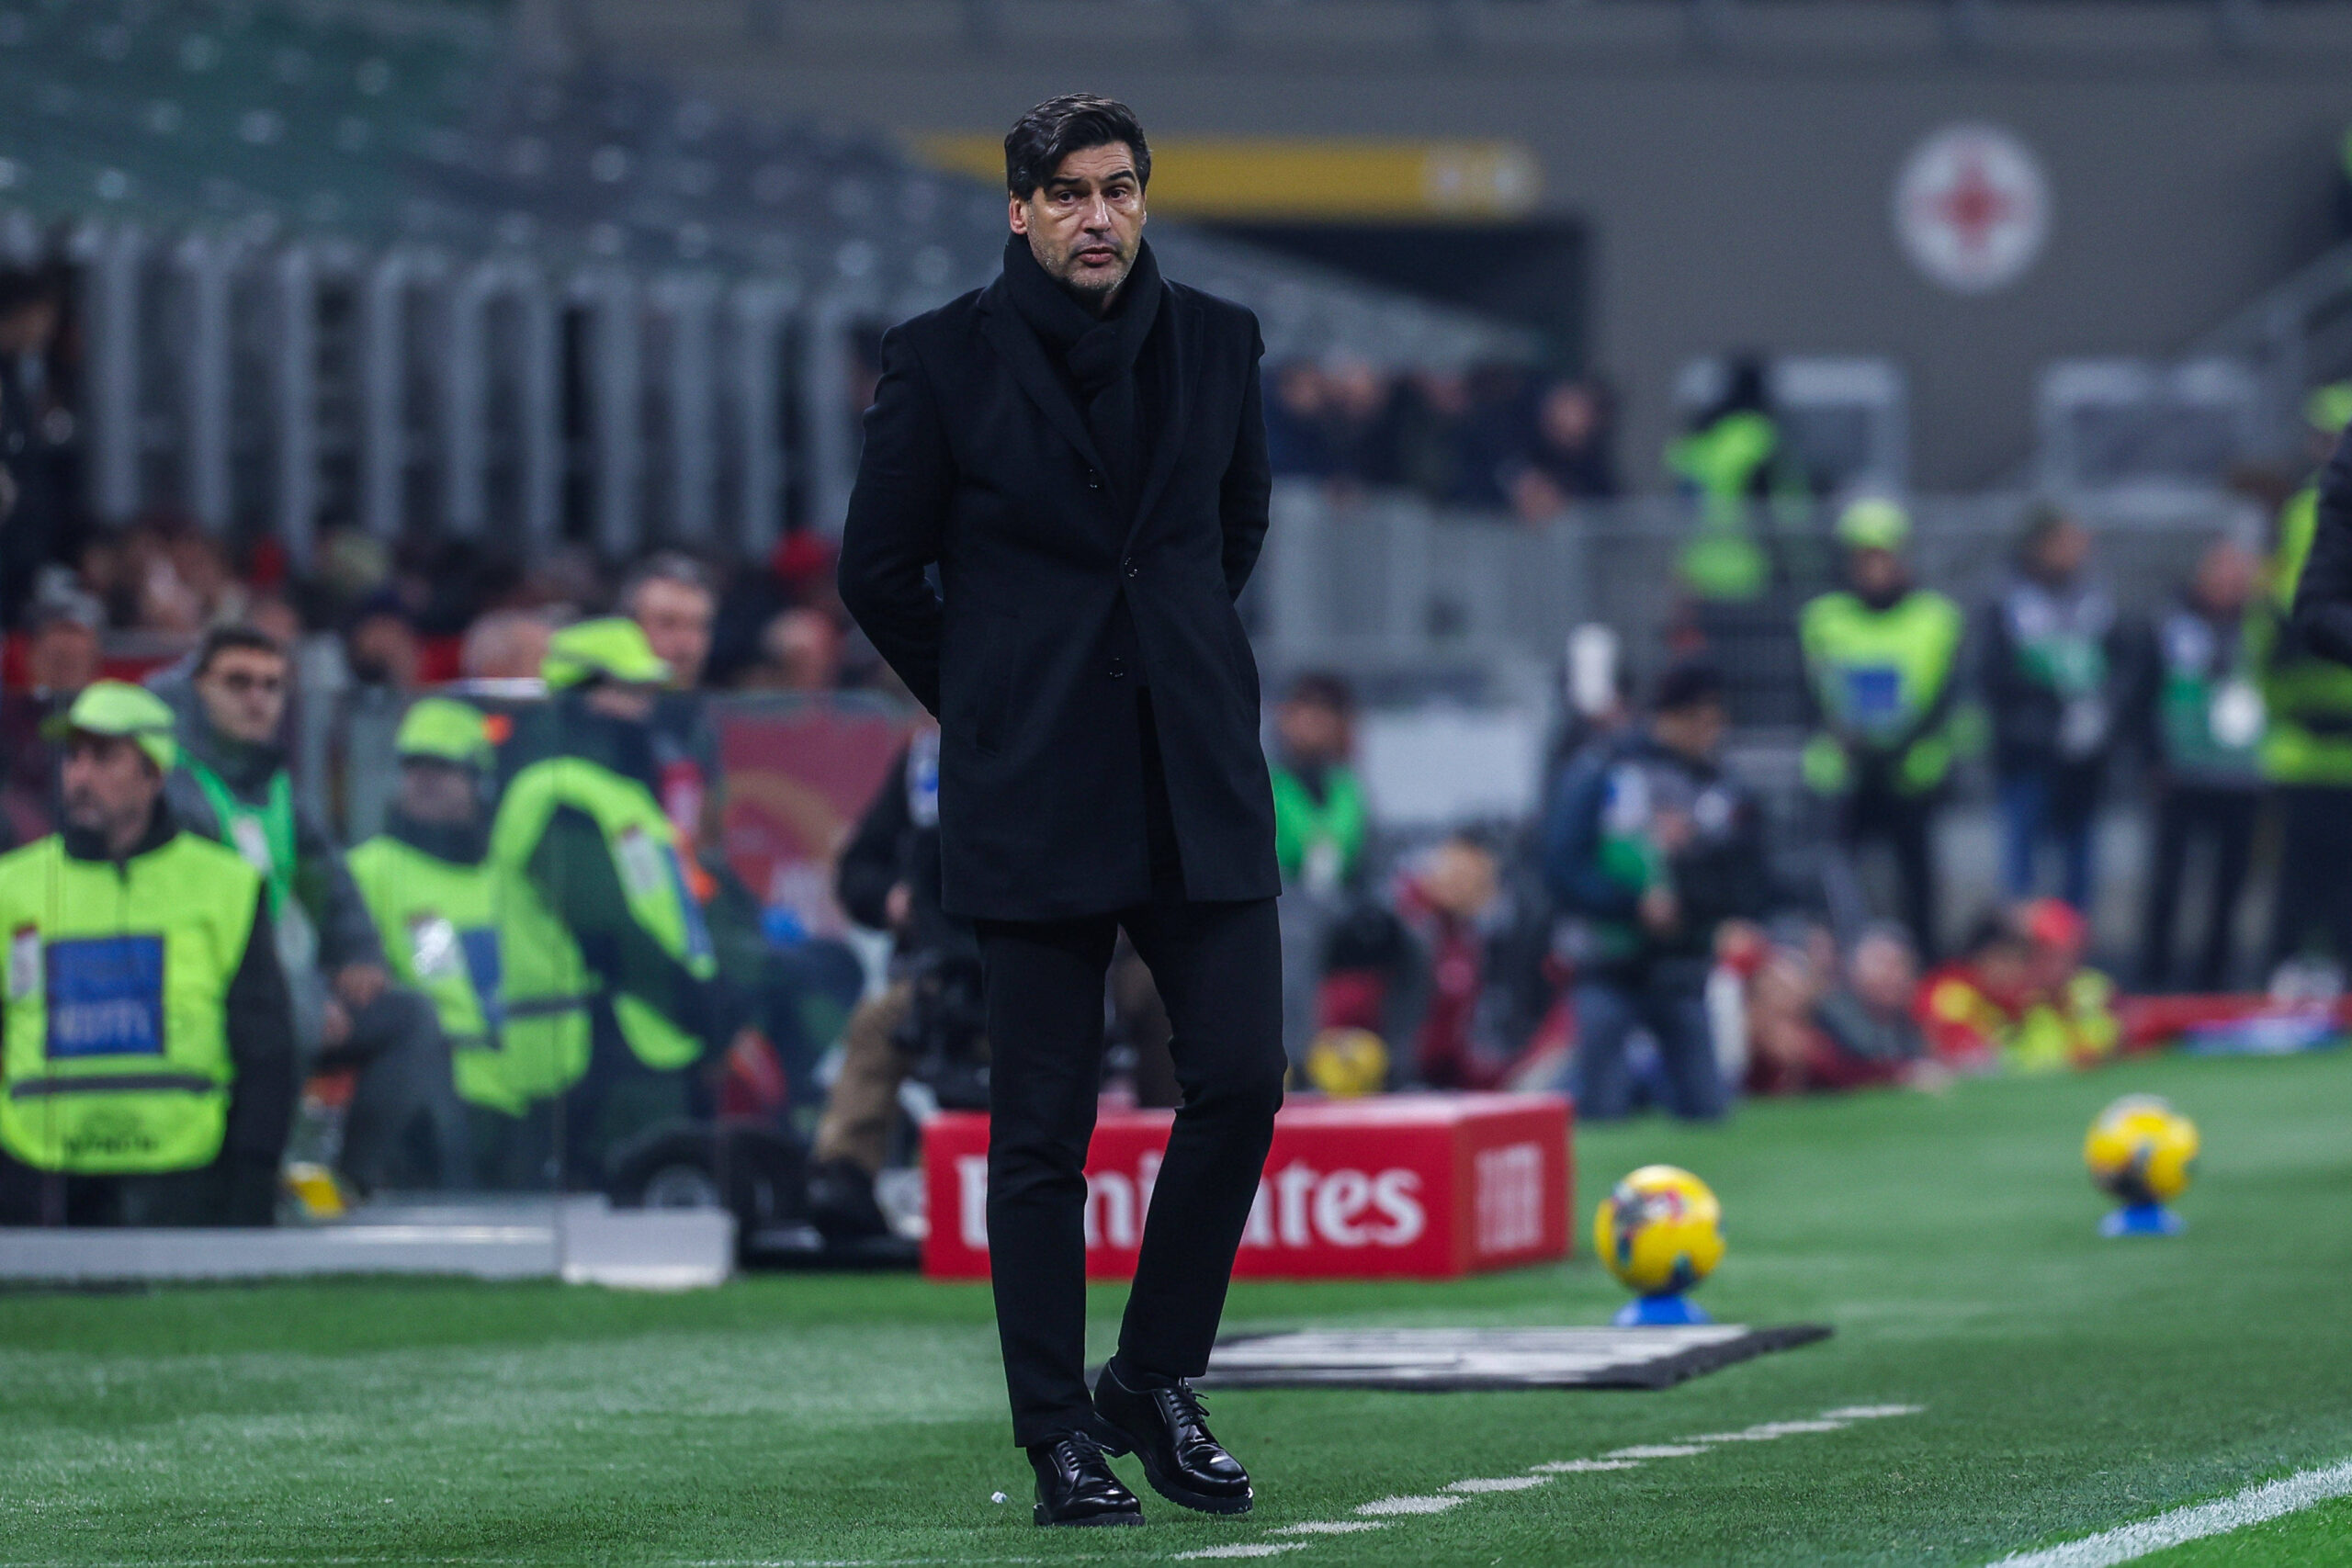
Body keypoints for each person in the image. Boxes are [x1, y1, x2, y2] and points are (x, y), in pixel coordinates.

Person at [837, 94, 1281, 1527]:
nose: (1102, 215)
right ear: (1018, 210)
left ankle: (1147, 1377)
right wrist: (999, 698)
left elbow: (1235, 529)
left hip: (1193, 772)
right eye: (1073, 193)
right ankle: (1054, 1436)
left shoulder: (1219, 340)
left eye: (1124, 189)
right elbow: (878, 569)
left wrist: (1166, 663)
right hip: (1034, 787)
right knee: (1040, 1130)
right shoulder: (939, 358)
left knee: (1243, 1078)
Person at [159, 626, 467, 1194]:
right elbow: (212, 925)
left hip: (286, 985)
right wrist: (303, 991)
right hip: (209, 994)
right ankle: (258, 1183)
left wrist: (358, 952)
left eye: (273, 687)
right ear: (199, 688)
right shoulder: (176, 784)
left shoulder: (274, 782)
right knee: (291, 1019)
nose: (258, 700)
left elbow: (327, 878)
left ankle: (349, 1186)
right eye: (239, 683)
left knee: (412, 1020)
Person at [0, 682, 295, 1225]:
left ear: (154, 774)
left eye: (104, 757)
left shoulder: (225, 886)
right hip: (38, 1178)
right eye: (74, 757)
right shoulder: (11, 886)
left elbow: (267, 1048)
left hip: (187, 1176)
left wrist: (251, 1179)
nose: (80, 776)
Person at [489, 618, 745, 1187]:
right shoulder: (555, 790)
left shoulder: (618, 790)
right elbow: (603, 928)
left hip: (638, 1041)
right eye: (627, 691)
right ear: (582, 694)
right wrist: (697, 1000)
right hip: (586, 1057)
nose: (643, 708)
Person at [347, 699, 588, 1189]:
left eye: (444, 767)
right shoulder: (370, 870)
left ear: (480, 780)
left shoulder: (512, 870)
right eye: (414, 765)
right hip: (431, 1105)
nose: (425, 780)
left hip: (540, 1096)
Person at [1543, 660, 1767, 1122]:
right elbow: (1562, 862)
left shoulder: (1720, 785)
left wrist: (1719, 914)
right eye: (1708, 718)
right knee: (1601, 1106)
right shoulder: (1605, 771)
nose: (1715, 731)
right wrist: (1631, 905)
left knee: (1707, 1108)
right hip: (1608, 963)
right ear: (1678, 715)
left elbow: (1745, 867)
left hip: (1684, 966)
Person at [808, 716, 973, 1243]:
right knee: (880, 1024)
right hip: (945, 972)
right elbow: (859, 869)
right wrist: (892, 901)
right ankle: (844, 1178)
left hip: (1064, 965)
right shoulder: (926, 761)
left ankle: (1159, 1162)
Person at [1798, 499, 1965, 958]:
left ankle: (1924, 976)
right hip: (1844, 774)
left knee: (1917, 888)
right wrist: (1850, 738)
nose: (1874, 568)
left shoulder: (1935, 618)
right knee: (1839, 888)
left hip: (1910, 775)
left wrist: (1895, 745)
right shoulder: (1823, 617)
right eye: (1863, 557)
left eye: (1883, 555)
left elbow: (1944, 696)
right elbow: (1813, 693)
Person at [1978, 506, 2134, 910]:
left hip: (2085, 757)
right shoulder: (2008, 604)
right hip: (2028, 752)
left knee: (2080, 860)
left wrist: (2102, 717)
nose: (2077, 552)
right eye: (2065, 542)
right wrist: (2048, 717)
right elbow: (1994, 676)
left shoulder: (2097, 603)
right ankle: (2019, 953)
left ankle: (2070, 953)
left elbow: (2123, 666)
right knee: (2021, 861)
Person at [2132, 539, 2266, 991]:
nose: (2230, 583)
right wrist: (2152, 759)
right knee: (2168, 883)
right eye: (2222, 571)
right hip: (2181, 775)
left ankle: (2216, 978)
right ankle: (2154, 975)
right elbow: (2142, 693)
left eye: (2238, 573)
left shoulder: (2262, 628)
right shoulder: (2169, 625)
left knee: (2229, 886)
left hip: (2243, 777)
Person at [2270, 386, 2352, 977]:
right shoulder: (2310, 509)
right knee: (2307, 873)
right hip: (2309, 734)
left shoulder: (2307, 507)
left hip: (2312, 730)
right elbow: (2299, 616)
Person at [1267, 672, 1367, 1065]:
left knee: (1413, 939)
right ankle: (1296, 1065)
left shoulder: (1348, 785)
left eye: (1323, 715)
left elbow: (1369, 857)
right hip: (1287, 902)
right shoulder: (1267, 780)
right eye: (1302, 713)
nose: (1312, 725)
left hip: (1344, 902)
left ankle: (1403, 1064)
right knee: (1295, 941)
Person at [0, 589, 103, 845]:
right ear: (31, 655)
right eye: (57, 655)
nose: (66, 657)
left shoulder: (110, 724)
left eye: (75, 656)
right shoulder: (8, 713)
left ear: (94, 659)